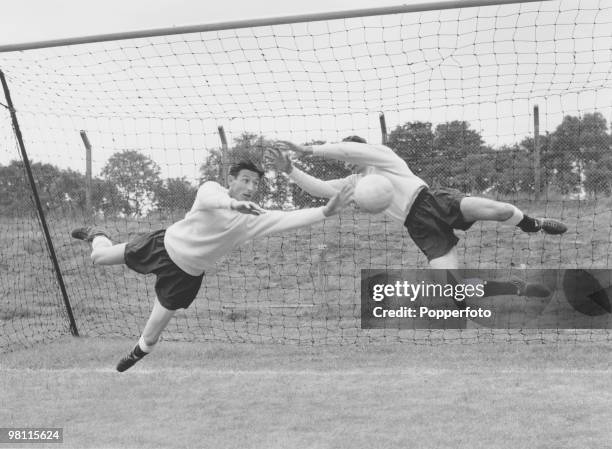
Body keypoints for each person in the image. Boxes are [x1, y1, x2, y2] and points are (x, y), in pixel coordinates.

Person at [71, 160, 353, 372]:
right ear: (231, 180)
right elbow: (212, 199)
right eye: (245, 181)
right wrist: (232, 205)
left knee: (151, 336)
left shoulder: (253, 217)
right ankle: (97, 234)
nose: (251, 188)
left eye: (255, 184)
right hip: (161, 247)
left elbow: (287, 218)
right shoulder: (212, 189)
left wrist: (325, 211)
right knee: (99, 258)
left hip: (186, 276)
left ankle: (135, 354)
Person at [267, 136, 567, 297]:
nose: (347, 160)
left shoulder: (385, 157)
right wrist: (289, 170)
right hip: (419, 226)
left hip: (434, 201)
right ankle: (515, 287)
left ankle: (532, 224)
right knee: (455, 295)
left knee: (500, 211)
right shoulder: (355, 185)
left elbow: (347, 148)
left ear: (362, 152)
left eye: (350, 155)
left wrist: (308, 150)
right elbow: (320, 190)